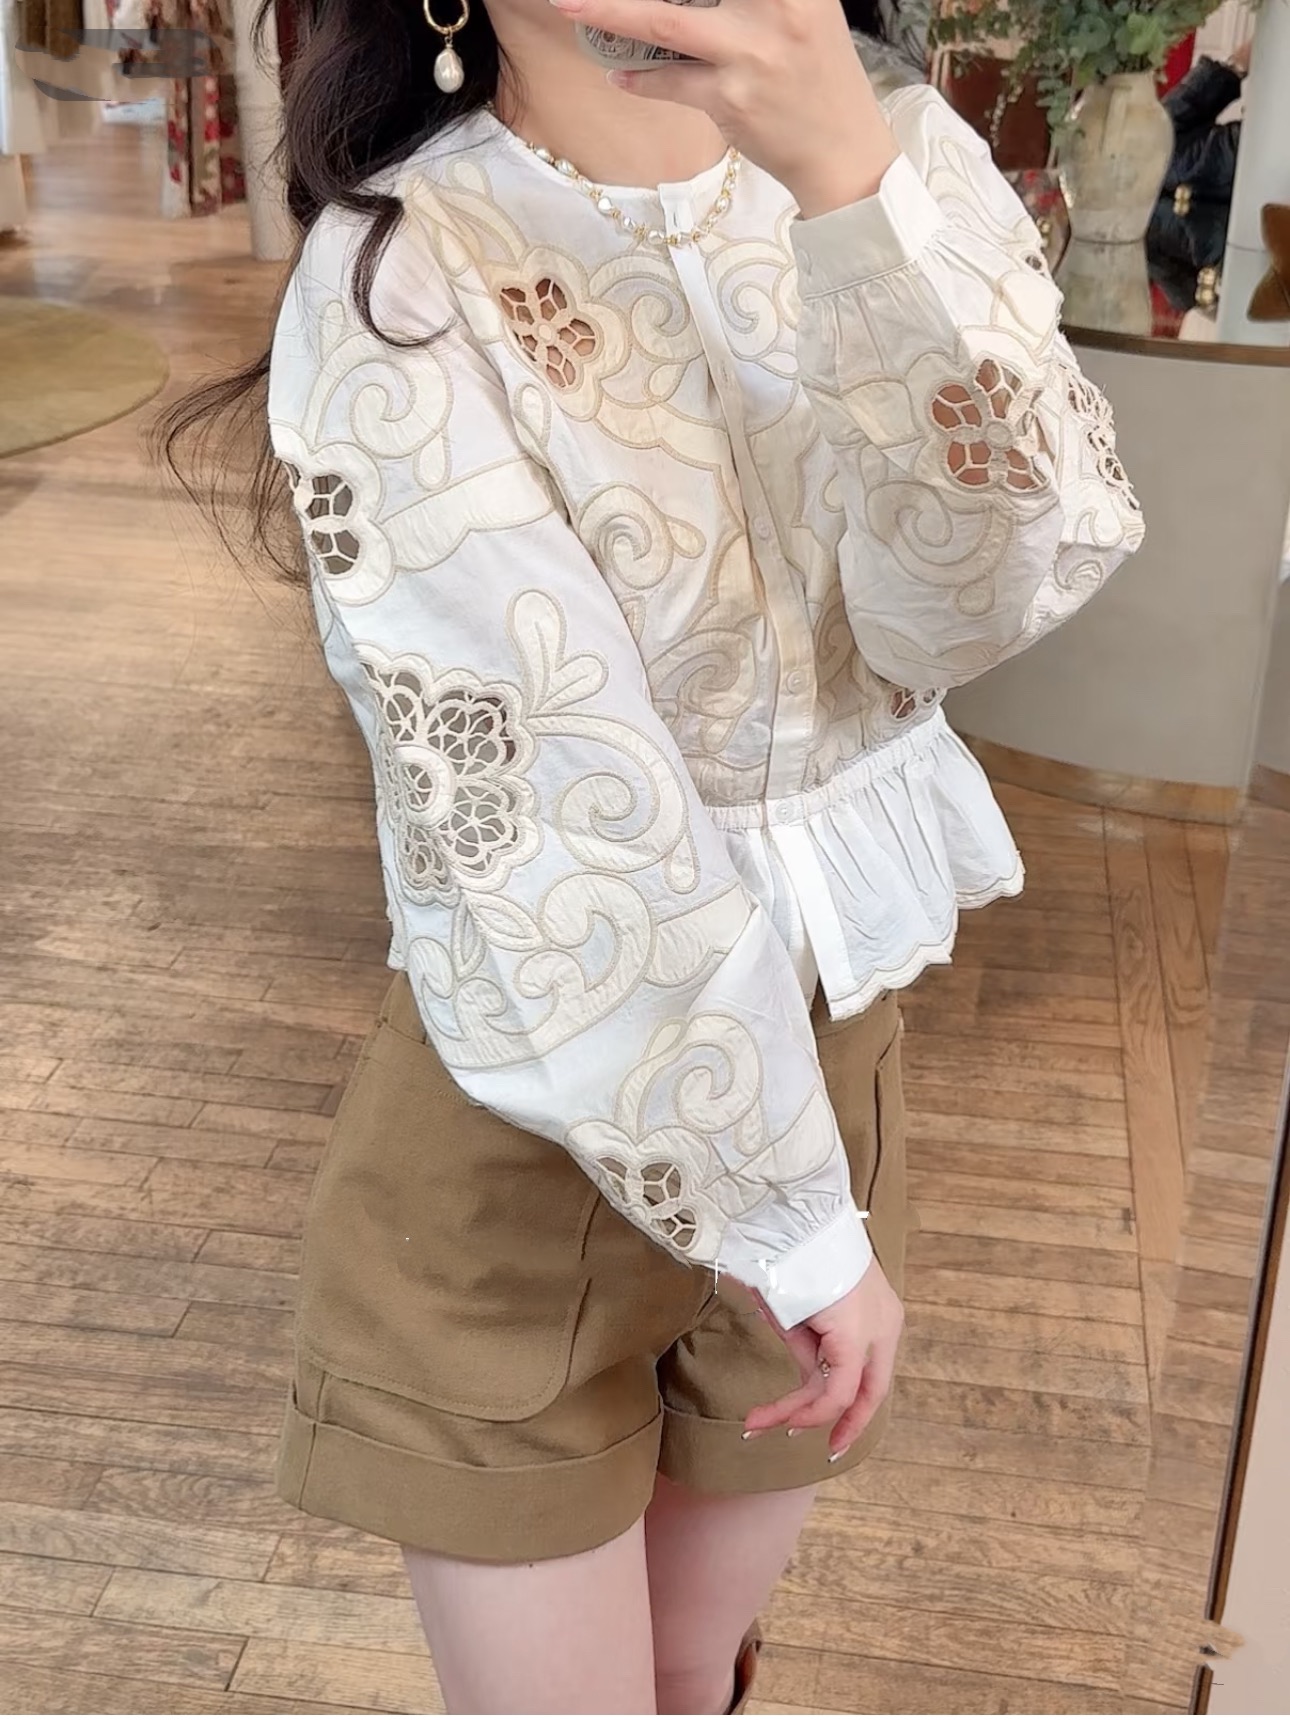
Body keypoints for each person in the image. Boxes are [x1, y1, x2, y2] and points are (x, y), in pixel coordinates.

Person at [164, 0, 1144, 1709]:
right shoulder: (401, 273)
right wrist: (798, 1228)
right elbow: (546, 820)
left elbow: (982, 602)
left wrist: (849, 190)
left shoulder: (905, 160)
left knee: (698, 1675)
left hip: (830, 1062)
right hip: (530, 1112)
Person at [1148, 41, 1250, 314]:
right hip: (1262, 246)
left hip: (1268, 155)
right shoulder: (1136, 243)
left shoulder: (1149, 136)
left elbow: (1223, 75)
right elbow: (1191, 298)